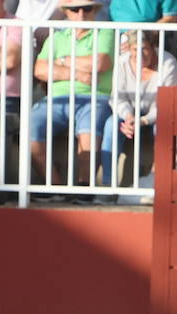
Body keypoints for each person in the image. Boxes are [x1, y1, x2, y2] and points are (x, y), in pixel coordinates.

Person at [29, 0, 114, 191]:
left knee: (88, 132)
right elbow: (40, 70)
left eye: (87, 8)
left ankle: (84, 188)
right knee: (29, 128)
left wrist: (61, 61)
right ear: (66, 12)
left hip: (94, 97)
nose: (81, 13)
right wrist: (78, 74)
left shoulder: (106, 32)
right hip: (56, 99)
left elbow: (100, 63)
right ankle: (55, 187)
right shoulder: (56, 37)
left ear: (95, 11)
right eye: (75, 9)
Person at [99, 29, 177, 187]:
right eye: (135, 49)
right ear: (129, 48)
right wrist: (128, 117)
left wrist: (143, 120)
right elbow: (117, 98)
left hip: (158, 116)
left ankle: (160, 183)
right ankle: (108, 185)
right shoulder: (122, 62)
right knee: (111, 124)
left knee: (164, 127)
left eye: (144, 48)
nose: (139, 54)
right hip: (129, 115)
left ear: (153, 47)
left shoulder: (168, 64)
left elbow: (167, 104)